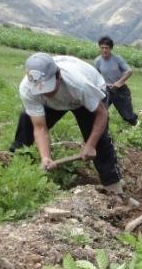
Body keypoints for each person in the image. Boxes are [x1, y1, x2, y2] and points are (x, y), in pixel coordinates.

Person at [9, 52, 123, 193]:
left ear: (58, 76)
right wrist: (46, 157)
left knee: (99, 141)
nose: (46, 93)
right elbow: (39, 127)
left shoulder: (79, 84)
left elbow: (102, 114)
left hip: (85, 97)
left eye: (49, 88)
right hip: (57, 103)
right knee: (26, 121)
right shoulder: (27, 89)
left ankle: (113, 187)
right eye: (42, 90)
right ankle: (19, 165)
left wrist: (90, 145)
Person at [94, 36, 138, 126]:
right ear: (100, 48)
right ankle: (103, 130)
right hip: (107, 90)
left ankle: (135, 123)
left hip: (121, 90)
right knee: (100, 112)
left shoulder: (117, 59)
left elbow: (129, 71)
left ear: (111, 48)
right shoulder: (98, 61)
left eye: (107, 48)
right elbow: (96, 76)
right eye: (102, 48)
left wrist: (119, 83)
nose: (104, 50)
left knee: (127, 116)